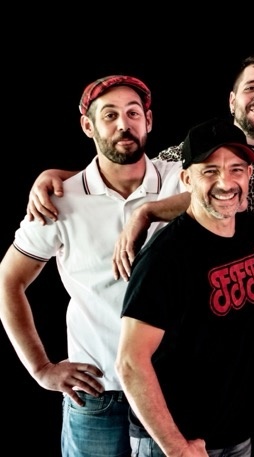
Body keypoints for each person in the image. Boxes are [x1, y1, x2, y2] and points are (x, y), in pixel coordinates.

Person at [0, 75, 183, 456]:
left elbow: (224, 194)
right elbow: (10, 279)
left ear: (149, 120)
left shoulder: (180, 180)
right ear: (88, 126)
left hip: (168, 386)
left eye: (133, 113)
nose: (123, 124)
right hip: (97, 393)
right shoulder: (59, 200)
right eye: (109, 115)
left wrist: (147, 212)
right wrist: (41, 369)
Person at [25, 53, 254, 273]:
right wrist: (60, 177)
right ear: (232, 101)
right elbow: (130, 171)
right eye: (251, 88)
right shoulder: (192, 151)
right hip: (217, 288)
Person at [115, 118, 254, 456]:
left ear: (249, 174)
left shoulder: (250, 231)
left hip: (235, 436)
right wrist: (176, 447)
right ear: (186, 179)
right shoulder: (165, 257)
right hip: (175, 441)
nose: (226, 182)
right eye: (210, 171)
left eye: (236, 169)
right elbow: (130, 362)